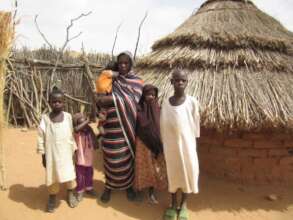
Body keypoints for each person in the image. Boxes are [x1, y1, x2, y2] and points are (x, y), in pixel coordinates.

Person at [96, 51, 144, 203]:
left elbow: (133, 100)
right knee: (110, 159)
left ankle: (128, 186)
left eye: (126, 63)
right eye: (120, 63)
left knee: (125, 159)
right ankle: (109, 186)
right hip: (110, 127)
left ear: (131, 64)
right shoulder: (112, 80)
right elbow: (100, 98)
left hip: (127, 128)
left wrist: (111, 100)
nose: (123, 65)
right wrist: (104, 101)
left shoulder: (136, 81)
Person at [160, 69, 200, 220]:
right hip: (171, 147)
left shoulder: (192, 102)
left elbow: (195, 124)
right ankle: (172, 204)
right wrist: (165, 143)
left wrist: (192, 142)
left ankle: (183, 205)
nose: (180, 83)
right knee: (173, 173)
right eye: (177, 80)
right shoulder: (166, 103)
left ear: (187, 82)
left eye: (183, 80)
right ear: (172, 82)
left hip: (188, 146)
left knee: (187, 173)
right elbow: (163, 125)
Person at [37, 88, 78, 213]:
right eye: (54, 101)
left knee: (70, 174)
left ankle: (70, 193)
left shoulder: (68, 117)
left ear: (64, 102)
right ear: (49, 102)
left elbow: (72, 134)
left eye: (59, 101)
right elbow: (40, 137)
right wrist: (43, 155)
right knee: (52, 175)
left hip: (66, 153)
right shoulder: (45, 119)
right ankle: (52, 196)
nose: (57, 104)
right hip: (51, 154)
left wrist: (74, 151)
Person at [134, 84, 167, 204]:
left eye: (153, 95)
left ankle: (151, 193)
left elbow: (161, 127)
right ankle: (138, 190)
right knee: (142, 167)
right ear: (143, 95)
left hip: (156, 145)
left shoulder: (159, 109)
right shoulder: (139, 109)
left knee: (154, 169)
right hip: (142, 144)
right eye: (148, 94)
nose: (151, 97)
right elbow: (139, 127)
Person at [73, 113, 98, 202]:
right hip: (80, 157)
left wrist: (95, 143)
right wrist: (87, 121)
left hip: (88, 156)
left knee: (89, 173)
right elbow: (76, 129)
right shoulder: (77, 132)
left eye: (86, 124)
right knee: (80, 175)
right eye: (82, 124)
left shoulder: (88, 130)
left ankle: (89, 188)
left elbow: (94, 138)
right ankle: (80, 190)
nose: (85, 126)